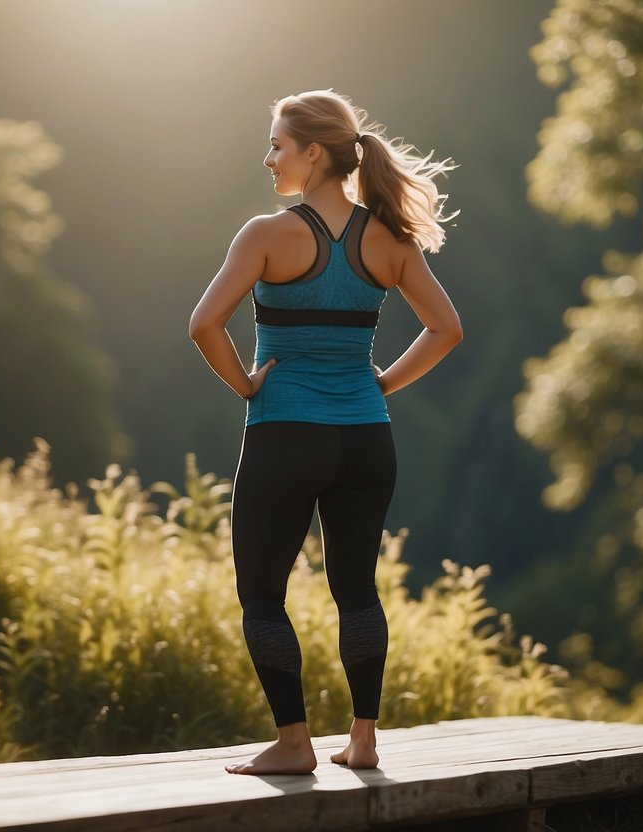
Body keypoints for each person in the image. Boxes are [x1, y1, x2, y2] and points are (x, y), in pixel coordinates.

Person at [189, 89, 463, 776]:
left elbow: (203, 325)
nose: (268, 157)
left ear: (313, 153)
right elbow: (446, 329)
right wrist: (381, 384)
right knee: (357, 588)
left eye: (277, 145)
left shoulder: (265, 234)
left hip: (285, 431)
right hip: (366, 438)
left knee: (261, 593)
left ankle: (292, 743)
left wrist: (247, 384)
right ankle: (364, 739)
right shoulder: (388, 238)